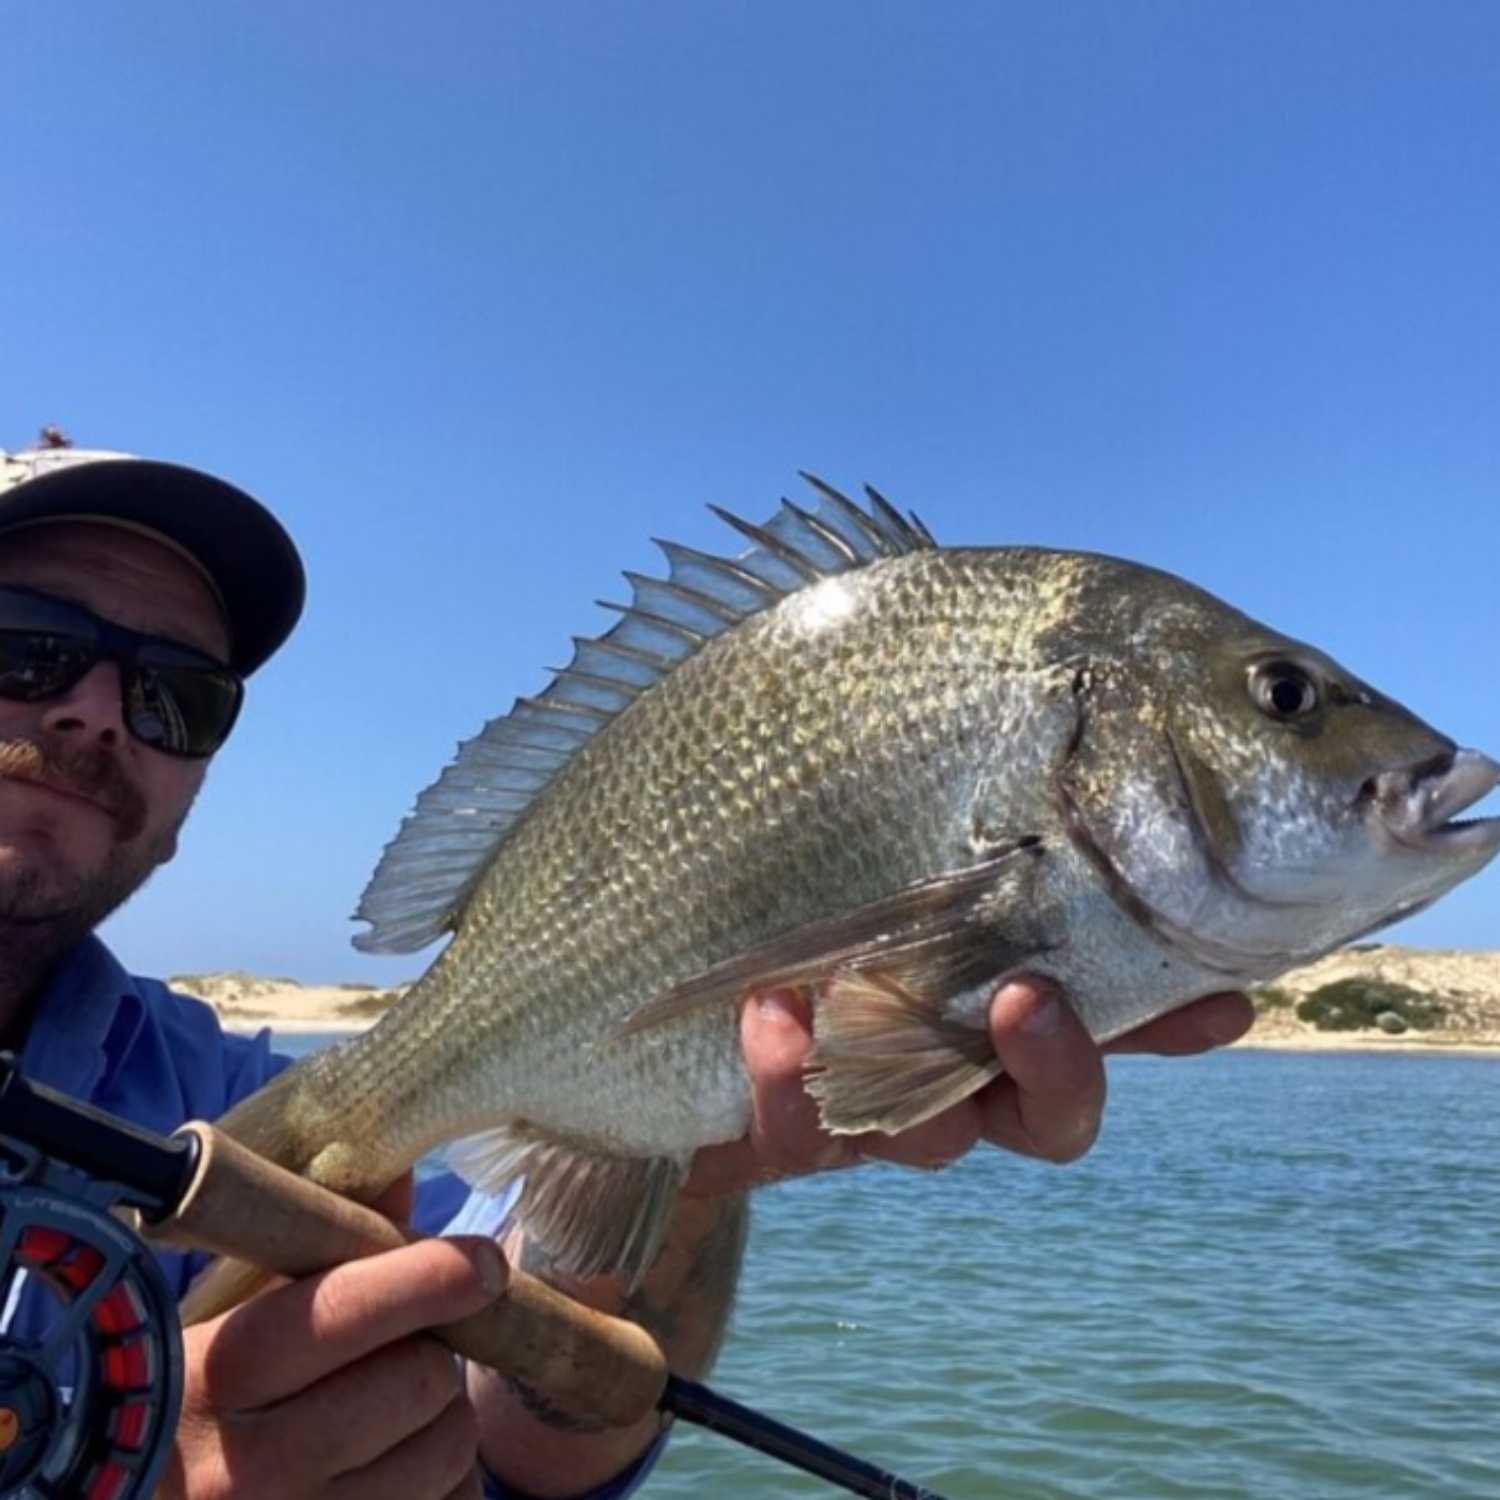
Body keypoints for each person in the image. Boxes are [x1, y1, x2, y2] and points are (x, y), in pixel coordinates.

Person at [0, 435, 1253, 1499]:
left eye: (178, 696)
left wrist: (692, 1167)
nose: (98, 715)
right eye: (27, 644)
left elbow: (519, 1420)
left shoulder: (205, 1091)